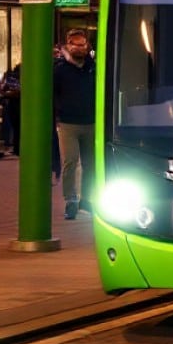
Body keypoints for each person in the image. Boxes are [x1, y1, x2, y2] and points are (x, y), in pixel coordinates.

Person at [53, 29, 95, 220]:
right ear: (68, 45)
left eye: (82, 44)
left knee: (91, 163)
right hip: (68, 123)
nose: (79, 48)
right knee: (70, 161)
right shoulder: (60, 69)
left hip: (91, 122)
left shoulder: (92, 67)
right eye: (75, 44)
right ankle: (71, 200)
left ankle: (88, 199)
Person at [0, 63, 21, 156]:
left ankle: (17, 148)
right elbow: (3, 92)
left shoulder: (11, 79)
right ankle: (17, 148)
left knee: (17, 129)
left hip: (13, 107)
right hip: (16, 107)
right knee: (18, 129)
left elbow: (2, 91)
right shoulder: (13, 79)